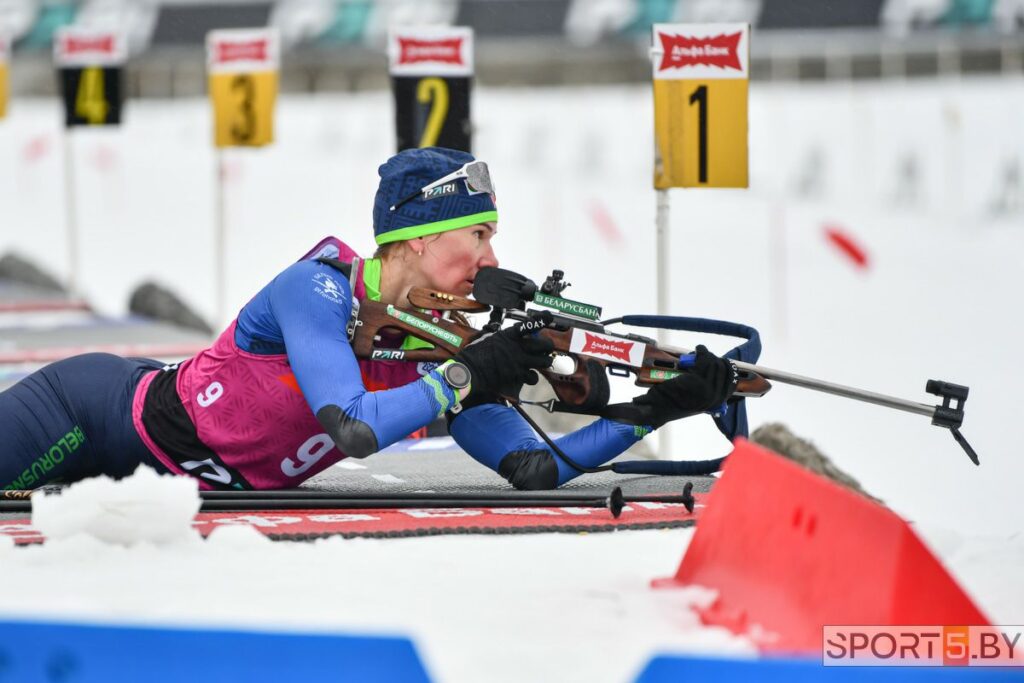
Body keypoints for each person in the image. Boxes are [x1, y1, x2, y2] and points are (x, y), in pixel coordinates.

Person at [0, 147, 736, 492]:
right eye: (477, 234)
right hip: (94, 413)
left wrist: (652, 408)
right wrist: (467, 374)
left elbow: (536, 466)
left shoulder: (449, 339)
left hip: (171, 483)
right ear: (417, 237)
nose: (491, 253)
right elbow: (349, 424)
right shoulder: (314, 290)